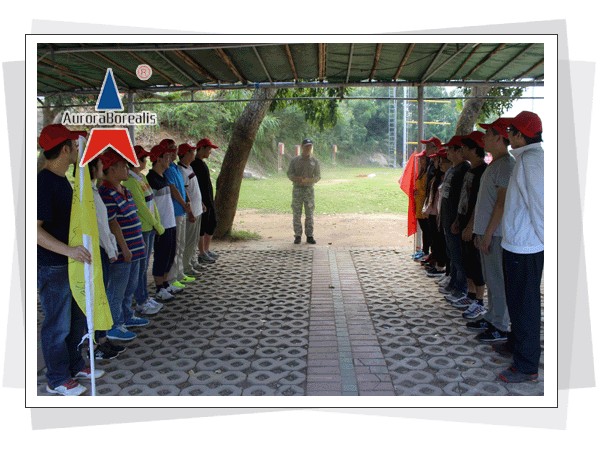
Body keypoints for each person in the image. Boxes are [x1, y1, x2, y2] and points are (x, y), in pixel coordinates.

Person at [37, 124, 104, 395]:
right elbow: (34, 229)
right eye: (75, 146)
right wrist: (69, 251)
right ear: (65, 149)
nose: (78, 150)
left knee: (77, 318)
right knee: (57, 324)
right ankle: (56, 378)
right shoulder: (43, 182)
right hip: (54, 266)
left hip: (71, 263)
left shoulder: (64, 177)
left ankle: (75, 364)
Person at [498, 111, 544, 383]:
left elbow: (541, 206)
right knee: (516, 301)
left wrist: (547, 241)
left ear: (520, 135)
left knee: (525, 305)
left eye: (510, 132)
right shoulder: (526, 159)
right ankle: (515, 344)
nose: (507, 137)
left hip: (527, 247)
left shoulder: (533, 162)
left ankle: (527, 365)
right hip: (517, 244)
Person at [466, 118, 515, 342]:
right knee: (490, 278)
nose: (483, 138)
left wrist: (487, 234)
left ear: (498, 138)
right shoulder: (495, 163)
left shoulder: (506, 165)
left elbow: (501, 204)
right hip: (486, 233)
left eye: (487, 134)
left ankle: (501, 326)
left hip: (495, 235)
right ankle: (492, 317)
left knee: (497, 281)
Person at [99, 149, 149, 341]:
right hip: (124, 251)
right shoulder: (106, 192)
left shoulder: (125, 189)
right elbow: (113, 224)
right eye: (123, 166)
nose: (127, 169)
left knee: (130, 286)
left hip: (135, 247)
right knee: (117, 289)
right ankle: (114, 324)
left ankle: (127, 316)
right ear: (111, 169)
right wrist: (124, 248)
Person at [87, 156, 125, 360]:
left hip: (104, 248)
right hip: (98, 250)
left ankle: (102, 339)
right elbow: (101, 226)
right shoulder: (88, 193)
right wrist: (111, 249)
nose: (103, 168)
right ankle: (95, 342)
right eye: (101, 165)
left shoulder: (94, 190)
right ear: (94, 169)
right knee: (97, 297)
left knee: (101, 295)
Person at [122, 145, 165, 315]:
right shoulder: (131, 181)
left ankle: (145, 297)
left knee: (145, 264)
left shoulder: (141, 178)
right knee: (140, 268)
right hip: (142, 228)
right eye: (142, 159)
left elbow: (151, 201)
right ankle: (140, 301)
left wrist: (157, 222)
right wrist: (155, 223)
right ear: (134, 161)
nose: (145, 161)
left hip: (150, 227)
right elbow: (141, 207)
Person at [452, 131, 488, 315]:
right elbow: (464, 199)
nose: (462, 150)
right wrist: (459, 219)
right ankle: (471, 295)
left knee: (475, 262)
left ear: (475, 150)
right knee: (466, 260)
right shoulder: (469, 170)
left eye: (465, 147)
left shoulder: (483, 172)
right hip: (464, 220)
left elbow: (479, 203)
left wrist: (470, 226)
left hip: (474, 225)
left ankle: (480, 301)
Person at [438, 135, 470, 304]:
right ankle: (453, 281)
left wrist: (456, 220)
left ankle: (461, 288)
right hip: (446, 218)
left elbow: (463, 199)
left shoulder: (464, 169)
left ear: (459, 151)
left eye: (451, 149)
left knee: (458, 255)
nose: (448, 152)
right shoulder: (451, 169)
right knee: (451, 253)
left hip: (454, 221)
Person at [146, 144, 180, 300]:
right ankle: (159, 288)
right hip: (161, 225)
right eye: (166, 157)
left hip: (170, 221)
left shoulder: (164, 176)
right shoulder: (151, 179)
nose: (169, 159)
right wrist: (155, 224)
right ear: (158, 159)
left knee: (170, 254)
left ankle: (166, 283)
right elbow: (150, 205)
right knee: (161, 255)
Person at [161, 139, 195, 287]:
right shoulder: (167, 169)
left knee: (181, 243)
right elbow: (174, 190)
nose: (174, 151)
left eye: (175, 148)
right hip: (175, 211)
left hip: (181, 210)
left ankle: (180, 273)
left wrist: (187, 203)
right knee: (175, 245)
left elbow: (182, 187)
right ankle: (172, 278)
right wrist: (184, 204)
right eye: (170, 149)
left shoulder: (174, 167)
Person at [177, 143, 205, 276]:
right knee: (189, 240)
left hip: (198, 208)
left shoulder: (189, 167)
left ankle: (193, 261)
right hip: (192, 211)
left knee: (194, 240)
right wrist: (190, 211)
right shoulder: (182, 171)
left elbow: (195, 190)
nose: (194, 153)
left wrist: (201, 203)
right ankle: (186, 267)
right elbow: (186, 192)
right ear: (186, 154)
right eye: (192, 151)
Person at [287, 138, 321, 244]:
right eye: (306, 146)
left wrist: (309, 180)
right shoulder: (295, 161)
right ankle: (297, 235)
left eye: (310, 146)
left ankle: (309, 235)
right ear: (302, 147)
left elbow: (318, 176)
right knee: (297, 213)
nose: (308, 148)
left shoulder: (314, 162)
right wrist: (298, 178)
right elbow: (289, 174)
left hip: (309, 190)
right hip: (297, 190)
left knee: (309, 214)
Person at [192, 138, 220, 263]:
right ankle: (202, 252)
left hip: (208, 199)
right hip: (201, 200)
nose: (210, 152)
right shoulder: (194, 164)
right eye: (208, 149)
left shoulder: (202, 163)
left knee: (212, 223)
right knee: (202, 226)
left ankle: (207, 250)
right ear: (201, 149)